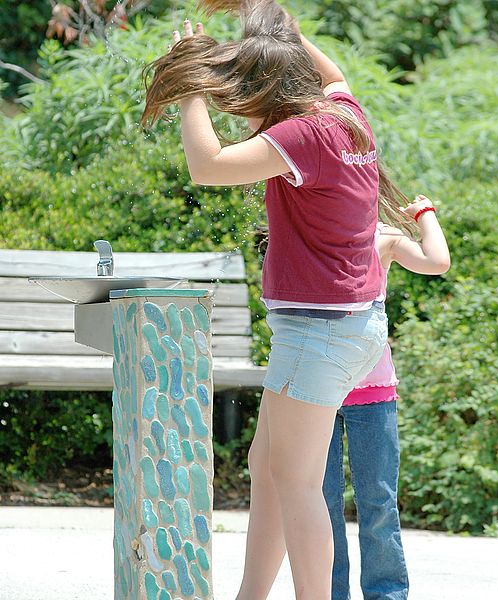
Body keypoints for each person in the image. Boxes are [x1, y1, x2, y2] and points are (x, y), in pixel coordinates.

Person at [142, 2, 433, 597]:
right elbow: (336, 76)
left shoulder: (301, 134)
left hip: (319, 333)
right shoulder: (348, 116)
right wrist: (287, 31)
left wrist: (191, 82)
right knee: (269, 472)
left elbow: (208, 165)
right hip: (350, 328)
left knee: (298, 485)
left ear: (269, 83)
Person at [323, 195, 450, 600]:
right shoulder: (311, 235)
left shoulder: (385, 239)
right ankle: (326, 593)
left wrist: (424, 214)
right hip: (316, 387)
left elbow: (438, 262)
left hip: (372, 391)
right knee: (320, 504)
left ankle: (387, 594)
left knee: (378, 501)